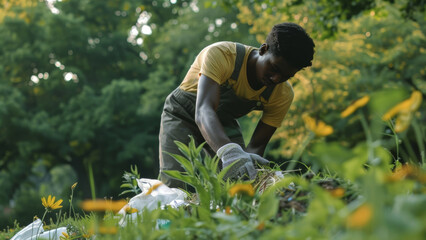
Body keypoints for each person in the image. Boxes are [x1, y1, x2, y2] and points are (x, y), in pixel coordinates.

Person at [159, 22, 315, 188]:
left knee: (241, 179)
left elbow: (257, 145)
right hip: (182, 112)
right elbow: (204, 110)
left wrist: (251, 168)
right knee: (174, 183)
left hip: (223, 121)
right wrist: (230, 152)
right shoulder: (222, 54)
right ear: (263, 50)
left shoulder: (282, 94)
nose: (276, 79)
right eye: (274, 68)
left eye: (286, 76)